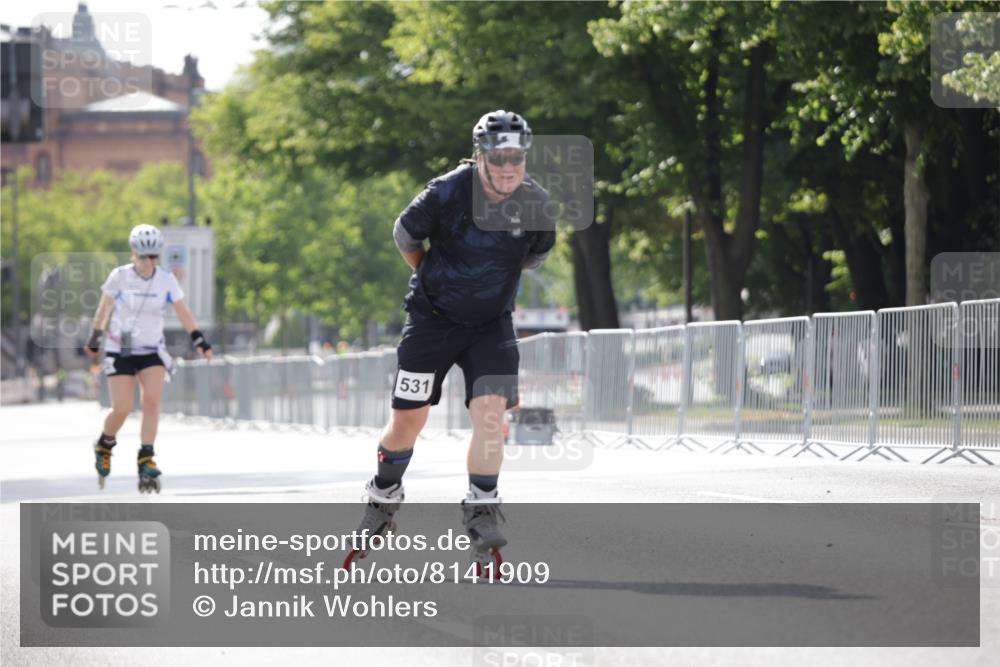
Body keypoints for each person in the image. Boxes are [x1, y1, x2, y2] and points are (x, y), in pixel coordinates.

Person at [347, 110, 556, 567]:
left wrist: (486, 284)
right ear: (481, 155)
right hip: (431, 319)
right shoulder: (445, 192)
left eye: (516, 159)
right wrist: (435, 276)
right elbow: (405, 236)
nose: (507, 168)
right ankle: (382, 497)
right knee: (408, 422)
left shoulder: (536, 204)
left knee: (490, 416)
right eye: (498, 158)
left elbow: (534, 256)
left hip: (491, 326)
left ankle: (481, 507)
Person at [85, 224, 213, 492]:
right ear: (133, 253)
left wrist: (199, 339)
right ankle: (105, 443)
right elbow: (104, 307)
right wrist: (96, 336)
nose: (149, 262)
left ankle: (146, 457)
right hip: (121, 349)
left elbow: (183, 311)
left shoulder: (166, 280)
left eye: (154, 256)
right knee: (121, 408)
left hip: (152, 349)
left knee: (151, 401)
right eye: (144, 256)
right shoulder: (119, 276)